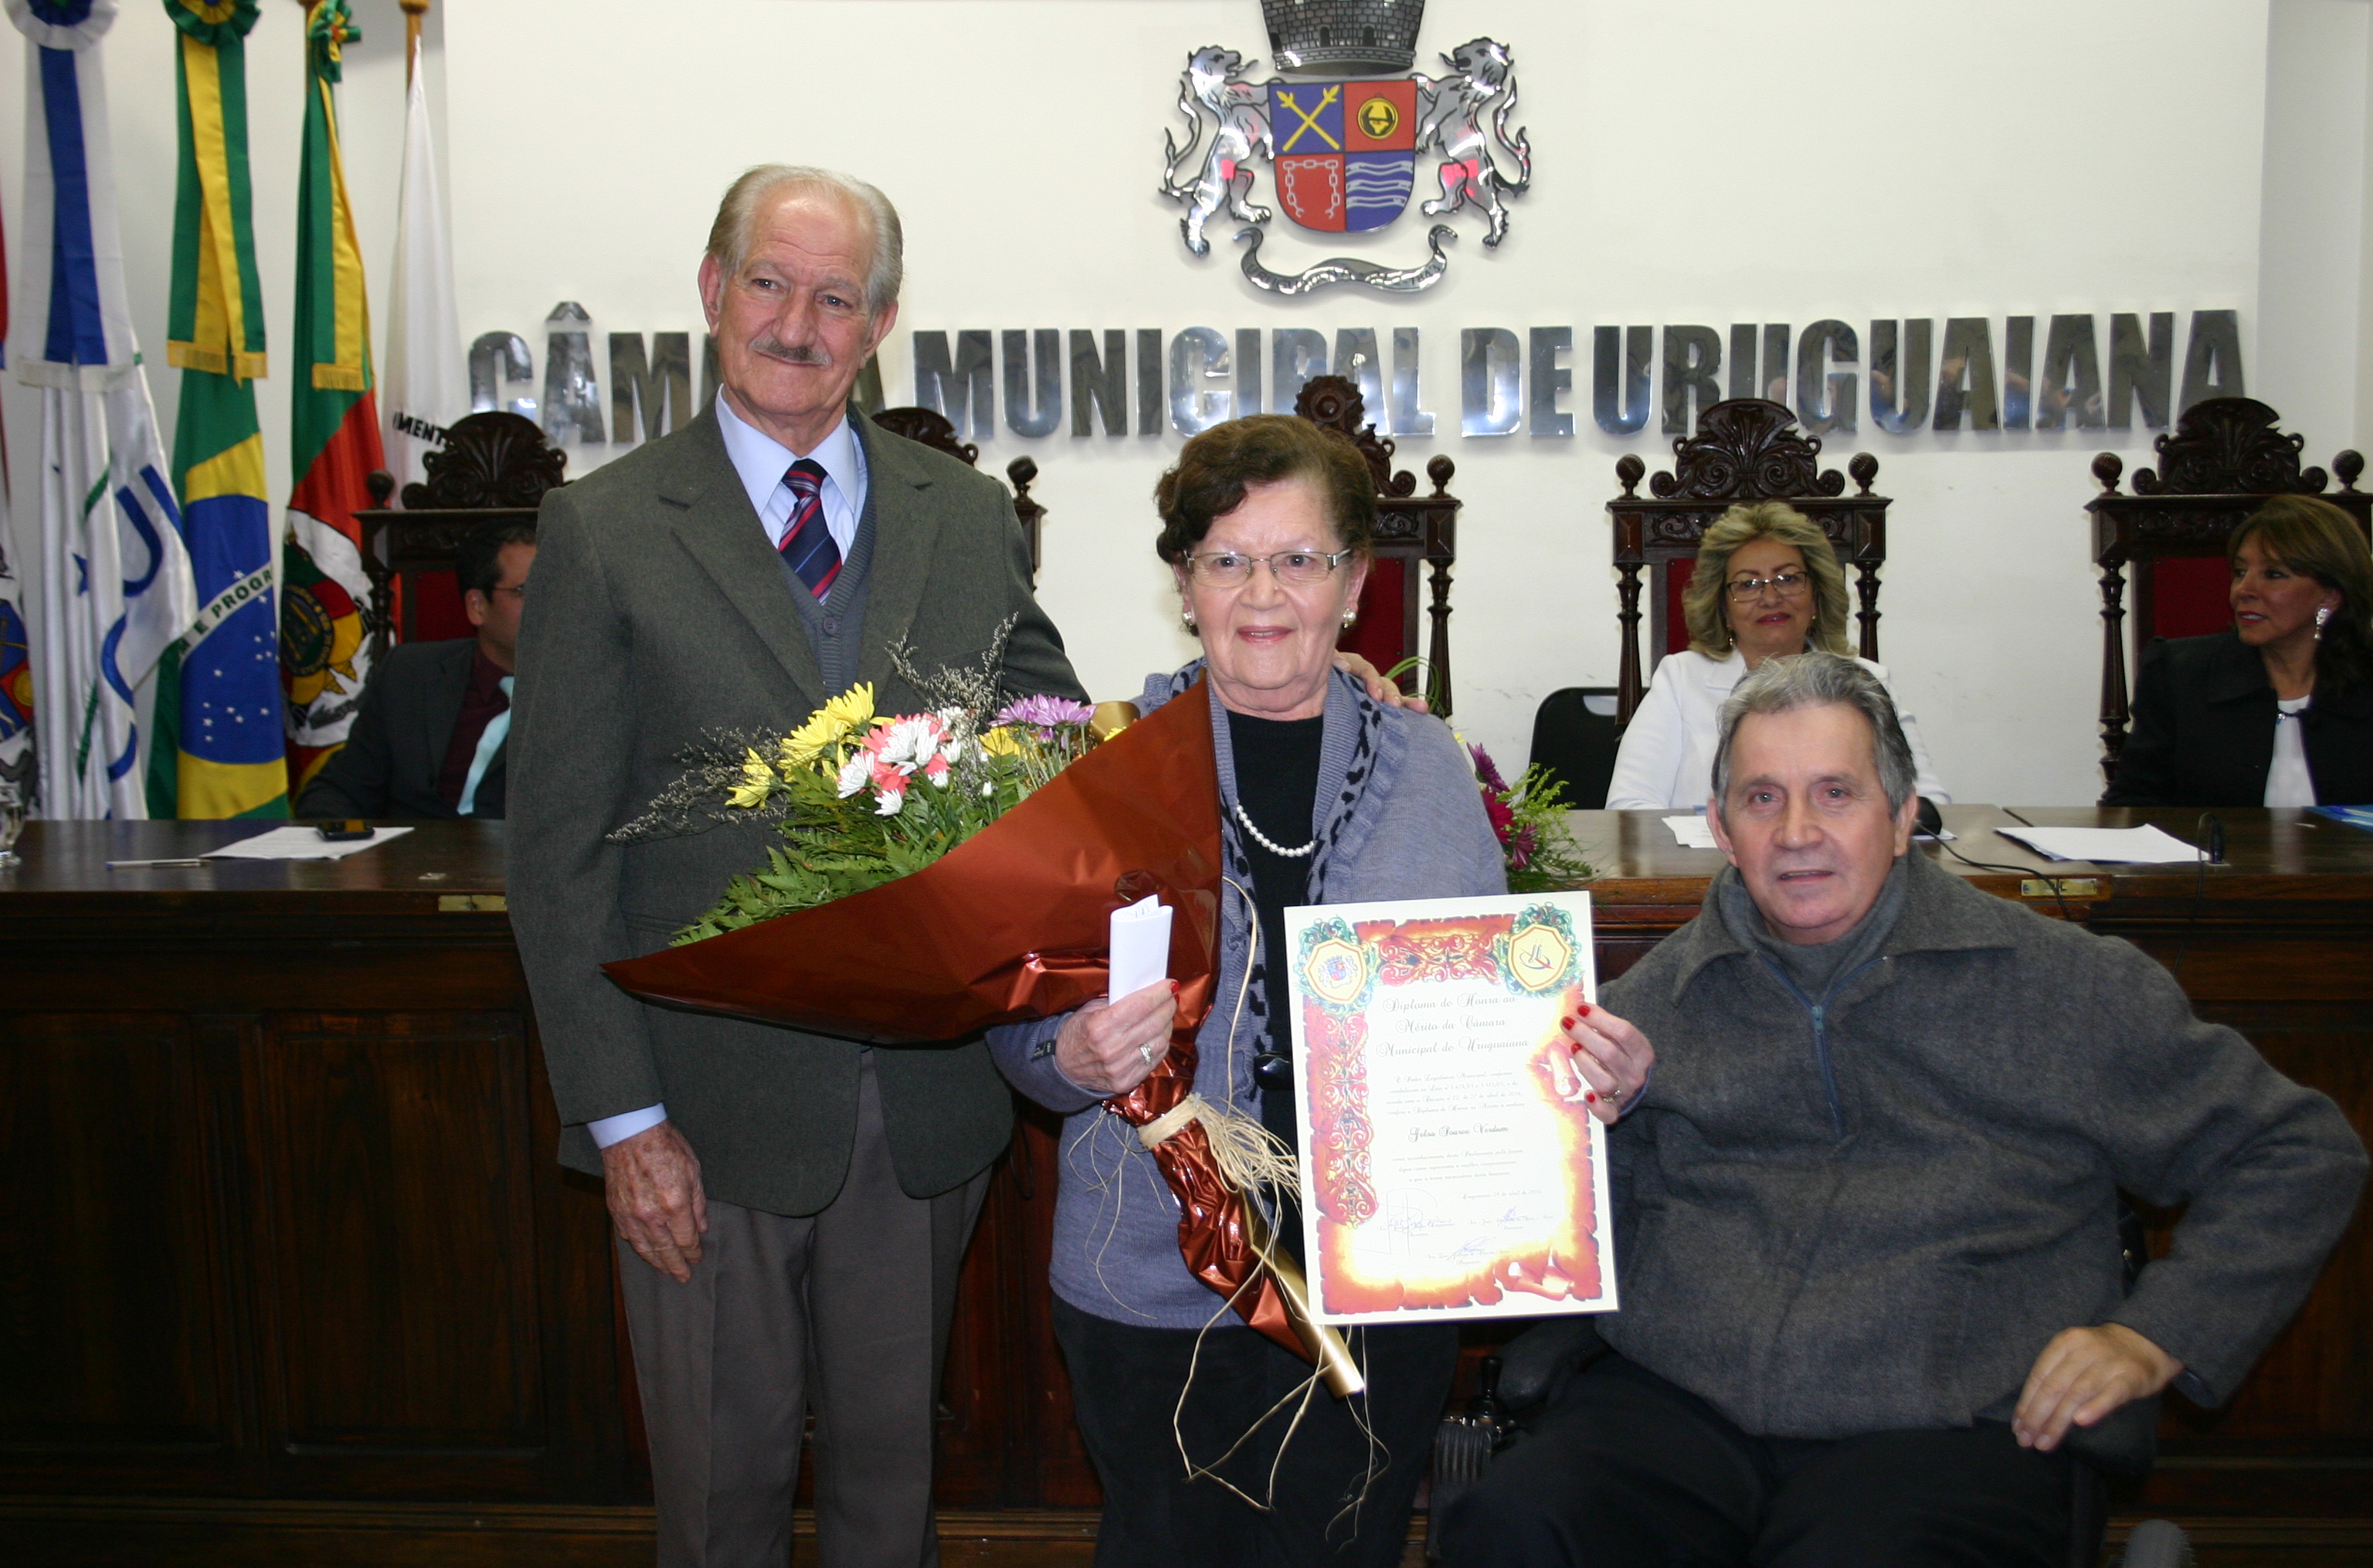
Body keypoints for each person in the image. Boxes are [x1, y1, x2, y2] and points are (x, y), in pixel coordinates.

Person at [1439, 652, 2367, 1568]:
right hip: (1683, 1400)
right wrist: (1592, 1129)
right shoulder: (1643, 1006)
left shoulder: (2063, 986)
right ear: (1720, 826)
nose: (1797, 831)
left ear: (1903, 815)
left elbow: (2299, 1150)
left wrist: (2158, 1331)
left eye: (1835, 792)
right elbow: (1552, 1236)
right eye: (1763, 798)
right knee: (1516, 1524)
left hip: (1948, 1418)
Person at [506, 165, 1090, 1568]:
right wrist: (624, 1123)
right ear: (714, 290)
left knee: (893, 1500)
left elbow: (1053, 734)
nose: (796, 323)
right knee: (722, 1503)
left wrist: (1234, 708)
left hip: (921, 1107)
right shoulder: (603, 528)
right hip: (698, 1116)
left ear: (879, 322)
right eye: (769, 283)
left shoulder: (964, 516)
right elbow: (557, 857)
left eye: (836, 297)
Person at [986, 414, 1562, 1568]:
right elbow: (1013, 1028)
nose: (1263, 594)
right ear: (1184, 583)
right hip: (1152, 1283)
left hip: (1387, 1284)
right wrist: (1069, 1057)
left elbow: (1498, 1025)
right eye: (1227, 559)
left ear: (1354, 582)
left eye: (1299, 559)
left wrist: (1570, 1064)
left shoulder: (1429, 770)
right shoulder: (1100, 769)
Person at [1605, 501, 1947, 810]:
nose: (1770, 598)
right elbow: (1629, 807)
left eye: (1788, 579)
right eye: (1747, 584)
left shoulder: (1868, 682)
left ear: (1816, 597)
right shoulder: (1680, 680)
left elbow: (1927, 805)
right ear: (1723, 608)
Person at [2104, 494, 2373, 806]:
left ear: (2330, 596)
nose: (2244, 590)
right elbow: (2132, 805)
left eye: (2273, 574)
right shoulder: (2179, 674)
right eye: (2240, 572)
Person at [294, 520, 535, 820]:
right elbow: (341, 790)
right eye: (527, 590)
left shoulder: (588, 693)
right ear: (477, 606)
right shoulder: (409, 674)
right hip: (408, 848)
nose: (554, 604)